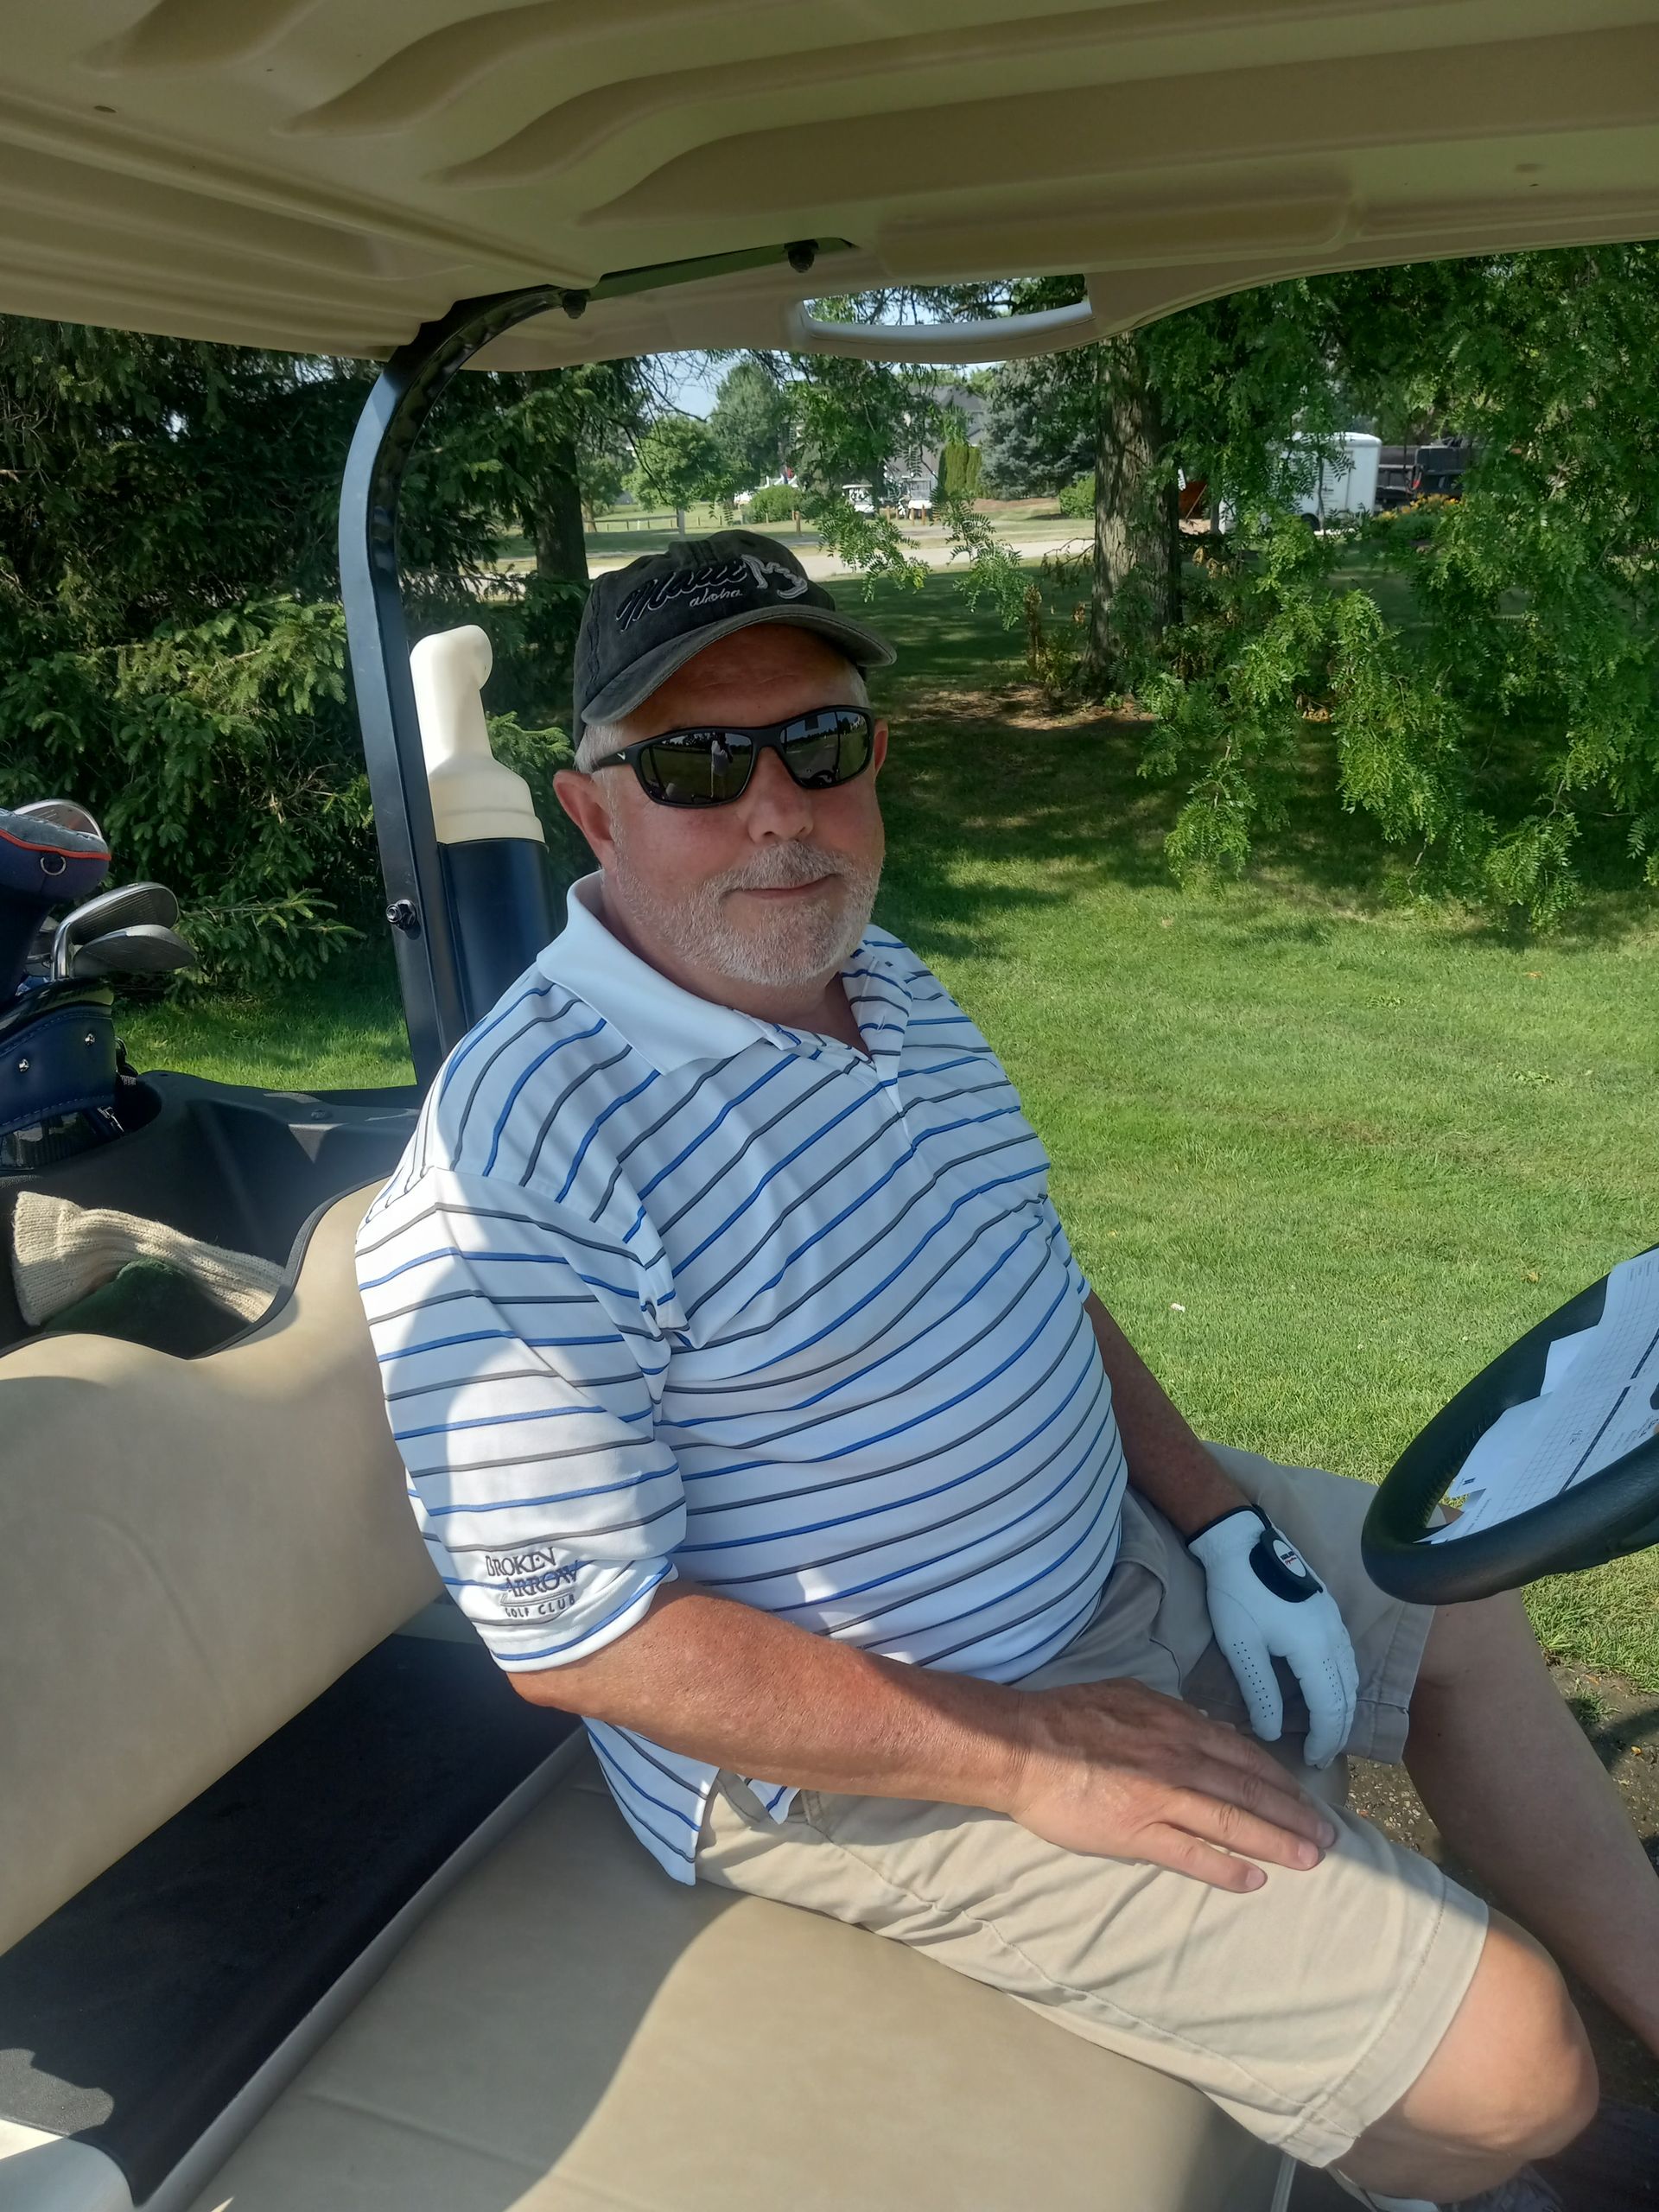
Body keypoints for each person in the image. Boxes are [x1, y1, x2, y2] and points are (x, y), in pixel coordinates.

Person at [358, 531, 1657, 2207]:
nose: (778, 810)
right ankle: (1429, 2155)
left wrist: (1216, 1516)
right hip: (873, 1740)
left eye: (820, 743)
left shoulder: (883, 982)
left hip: (1105, 1548)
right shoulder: (523, 1153)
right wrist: (1031, 1752)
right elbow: (581, 1635)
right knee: (1515, 2066)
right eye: (697, 764)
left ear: (874, 758)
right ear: (593, 813)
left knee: (1454, 1593)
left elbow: (1031, 1278)